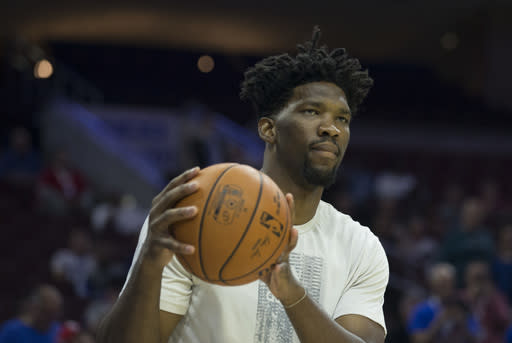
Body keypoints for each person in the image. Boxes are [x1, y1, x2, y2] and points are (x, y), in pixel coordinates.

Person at [97, 27, 389, 343]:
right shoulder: (195, 214)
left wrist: (292, 295)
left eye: (342, 119)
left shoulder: (362, 247)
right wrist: (149, 267)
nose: (331, 128)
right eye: (311, 111)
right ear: (268, 129)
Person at [407, 263, 480, 343]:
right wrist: (439, 323)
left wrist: (463, 323)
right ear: (433, 285)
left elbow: (477, 337)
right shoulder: (422, 310)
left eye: (449, 283)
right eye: (442, 284)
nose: (446, 287)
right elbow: (417, 340)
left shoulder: (462, 306)